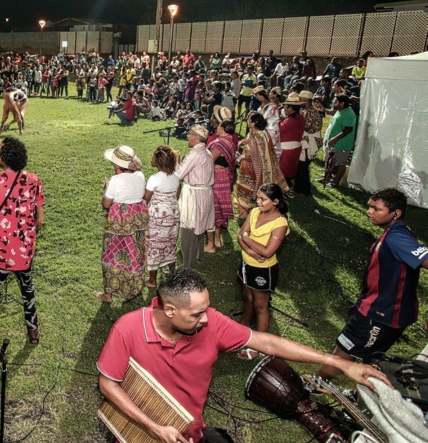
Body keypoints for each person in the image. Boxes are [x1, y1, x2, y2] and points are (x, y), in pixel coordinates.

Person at [97, 268, 390, 443]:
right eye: (197, 314)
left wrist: (336, 361)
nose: (206, 319)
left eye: (206, 309)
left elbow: (266, 342)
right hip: (138, 429)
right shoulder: (128, 328)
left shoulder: (212, 323)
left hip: (188, 431)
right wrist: (153, 427)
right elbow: (108, 384)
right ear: (170, 310)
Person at [316, 188, 428, 381]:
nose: (369, 211)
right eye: (369, 207)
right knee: (371, 360)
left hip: (379, 314)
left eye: (376, 209)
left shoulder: (397, 238)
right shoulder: (397, 231)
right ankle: (367, 395)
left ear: (396, 213)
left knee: (342, 356)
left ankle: (314, 385)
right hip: (383, 311)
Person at [0, 137, 44, 354]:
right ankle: (33, 331)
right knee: (27, 289)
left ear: (5, 158)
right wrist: (25, 238)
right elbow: (40, 219)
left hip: (2, 252)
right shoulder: (34, 180)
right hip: (25, 251)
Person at [235, 184, 289, 359]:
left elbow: (267, 252)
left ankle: (258, 346)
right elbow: (239, 235)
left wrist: (247, 238)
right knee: (247, 297)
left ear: (275, 201)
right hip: (246, 263)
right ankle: (242, 329)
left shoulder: (280, 223)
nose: (258, 201)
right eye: (258, 197)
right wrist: (251, 252)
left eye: (263, 199)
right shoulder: (254, 212)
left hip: (263, 270)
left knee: (261, 305)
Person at [94, 146, 148, 304]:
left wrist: (107, 189)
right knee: (135, 253)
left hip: (118, 223)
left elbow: (106, 204)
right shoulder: (140, 175)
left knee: (112, 254)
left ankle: (108, 294)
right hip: (136, 220)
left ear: (117, 165)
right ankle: (133, 290)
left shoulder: (116, 180)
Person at [234, 113, 288, 220]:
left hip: (252, 170)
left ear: (253, 123)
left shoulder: (257, 137)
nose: (248, 122)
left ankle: (246, 213)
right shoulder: (262, 132)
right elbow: (249, 139)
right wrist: (242, 142)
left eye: (249, 120)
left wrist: (241, 157)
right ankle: (250, 212)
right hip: (257, 167)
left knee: (247, 190)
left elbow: (254, 155)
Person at [175, 126, 214, 270]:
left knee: (189, 229)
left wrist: (176, 161)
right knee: (199, 226)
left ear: (197, 138)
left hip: (194, 194)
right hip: (204, 193)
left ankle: (187, 265)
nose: (188, 137)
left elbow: (179, 174)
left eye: (190, 134)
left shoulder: (195, 154)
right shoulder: (207, 152)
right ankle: (198, 257)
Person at [143, 146, 181, 289]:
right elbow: (177, 195)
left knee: (155, 244)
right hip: (173, 214)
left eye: (153, 157)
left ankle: (152, 280)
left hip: (158, 218)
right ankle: (172, 272)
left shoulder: (154, 178)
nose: (151, 159)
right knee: (170, 242)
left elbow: (146, 199)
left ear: (158, 161)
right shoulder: (176, 177)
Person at [205, 120, 237, 253]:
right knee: (219, 207)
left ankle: (213, 240)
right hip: (225, 176)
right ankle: (217, 238)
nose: (216, 128)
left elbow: (208, 161)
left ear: (223, 129)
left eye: (218, 126)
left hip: (216, 178)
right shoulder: (231, 142)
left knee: (214, 207)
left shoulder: (219, 144)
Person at [320, 94, 356, 188]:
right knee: (330, 161)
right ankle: (326, 178)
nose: (333, 103)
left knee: (340, 163)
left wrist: (335, 138)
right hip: (333, 143)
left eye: (335, 101)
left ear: (342, 103)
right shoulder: (339, 111)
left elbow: (348, 129)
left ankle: (335, 182)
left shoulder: (348, 114)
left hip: (342, 144)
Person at [294, 90, 323, 196]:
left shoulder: (312, 112)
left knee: (303, 166)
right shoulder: (303, 110)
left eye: (301, 99)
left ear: (306, 101)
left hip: (310, 142)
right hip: (304, 141)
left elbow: (305, 127)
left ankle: (305, 190)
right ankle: (299, 188)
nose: (299, 101)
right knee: (300, 166)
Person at [278, 93, 306, 188]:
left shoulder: (291, 120)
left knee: (284, 170)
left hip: (288, 149)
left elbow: (280, 128)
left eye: (285, 106)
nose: (284, 108)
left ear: (290, 108)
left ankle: (283, 187)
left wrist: (278, 120)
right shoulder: (299, 117)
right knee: (289, 169)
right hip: (294, 148)